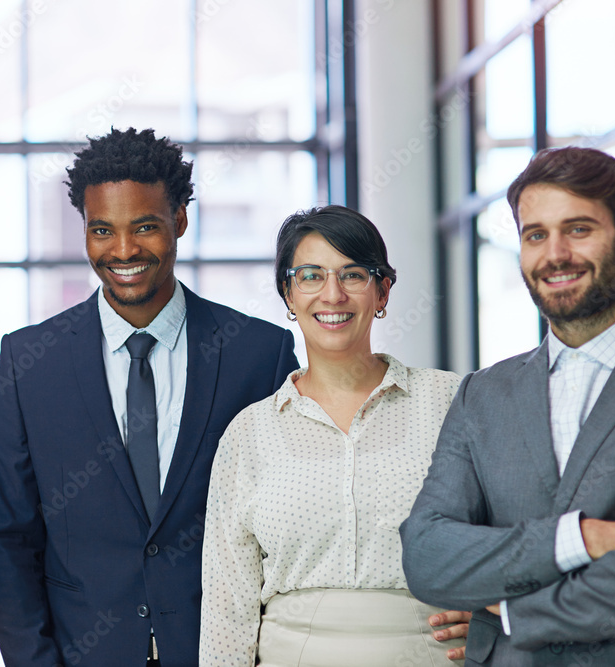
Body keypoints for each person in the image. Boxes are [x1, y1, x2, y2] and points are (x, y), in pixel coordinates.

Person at [0, 127, 299, 667]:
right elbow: (5, 538)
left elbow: (289, 520)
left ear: (180, 221)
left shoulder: (258, 356)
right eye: (103, 230)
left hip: (225, 653)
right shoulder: (27, 364)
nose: (123, 250)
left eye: (144, 227)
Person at [401, 146, 615, 664]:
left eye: (578, 229)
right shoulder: (482, 394)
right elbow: (426, 556)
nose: (555, 254)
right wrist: (579, 537)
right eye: (536, 234)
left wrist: (509, 613)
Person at [199, 206, 469, 665]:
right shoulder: (250, 433)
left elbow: (514, 534)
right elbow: (228, 606)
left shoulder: (453, 402)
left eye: (353, 275)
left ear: (382, 291)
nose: (332, 294)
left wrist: (499, 611)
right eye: (310, 275)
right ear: (288, 293)